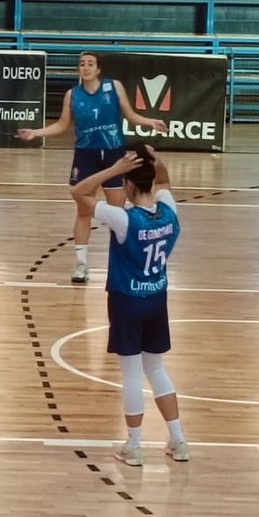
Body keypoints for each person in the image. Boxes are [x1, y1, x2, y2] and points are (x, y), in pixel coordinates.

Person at [71, 144, 190, 465]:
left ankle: (134, 446)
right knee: (157, 368)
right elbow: (165, 181)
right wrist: (153, 159)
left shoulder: (123, 219)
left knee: (133, 374)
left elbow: (79, 193)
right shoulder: (169, 210)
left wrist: (114, 169)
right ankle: (178, 440)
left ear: (128, 184)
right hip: (156, 298)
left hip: (126, 300)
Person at [17, 51, 168, 284]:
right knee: (83, 210)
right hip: (85, 156)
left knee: (117, 213)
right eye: (82, 64)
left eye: (90, 64)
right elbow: (62, 125)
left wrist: (150, 122)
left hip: (113, 154)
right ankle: (81, 264)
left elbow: (130, 115)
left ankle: (120, 261)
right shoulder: (72, 95)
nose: (85, 67)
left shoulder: (113, 87)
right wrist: (36, 132)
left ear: (98, 69)